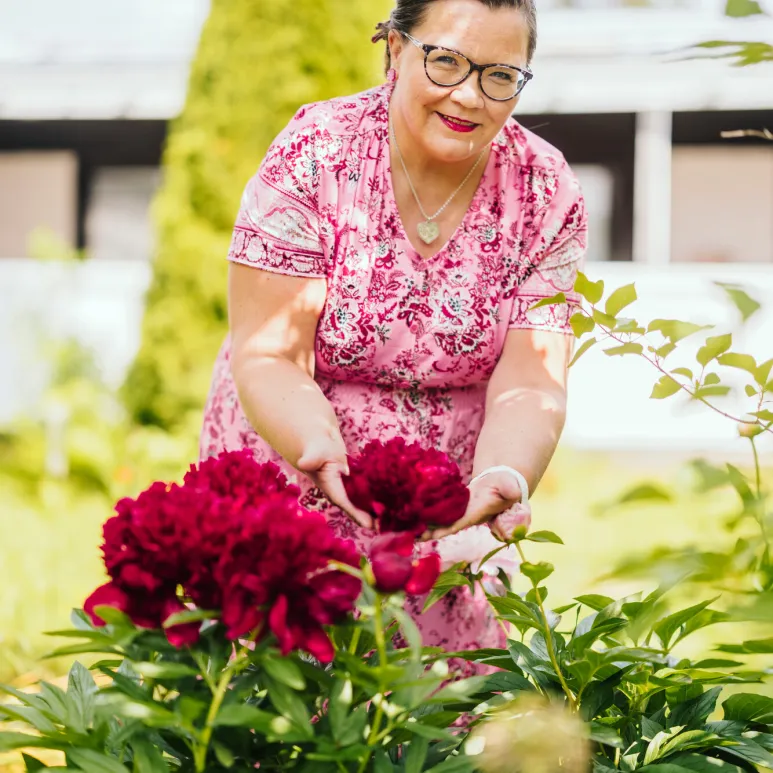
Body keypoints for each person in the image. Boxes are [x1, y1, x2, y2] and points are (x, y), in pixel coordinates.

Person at [201, 0, 587, 659]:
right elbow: (268, 353)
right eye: (444, 61)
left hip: (447, 509)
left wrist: (501, 474)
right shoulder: (315, 152)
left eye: (500, 75)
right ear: (394, 48)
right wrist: (317, 447)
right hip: (292, 460)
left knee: (436, 727)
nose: (468, 95)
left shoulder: (544, 187)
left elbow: (531, 376)